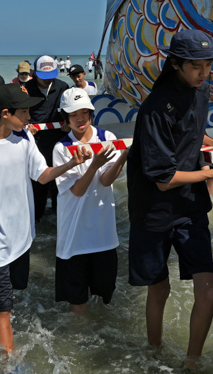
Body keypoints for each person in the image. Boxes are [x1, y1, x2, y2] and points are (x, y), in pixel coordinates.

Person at [0, 83, 90, 355]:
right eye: (24, 112)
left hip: (21, 239)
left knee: (5, 307)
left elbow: (43, 175)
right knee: (3, 310)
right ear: (4, 113)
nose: (29, 118)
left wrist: (71, 163)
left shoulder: (25, 140)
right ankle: (8, 365)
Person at [126, 29, 213, 369]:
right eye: (197, 67)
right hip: (153, 210)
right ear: (175, 64)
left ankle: (192, 361)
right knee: (159, 290)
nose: (204, 74)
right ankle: (154, 350)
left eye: (209, 65)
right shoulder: (155, 108)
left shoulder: (201, 89)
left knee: (208, 291)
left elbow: (193, 127)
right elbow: (163, 180)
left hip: (190, 206)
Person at [52, 88, 128, 313]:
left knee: (104, 296)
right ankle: (80, 338)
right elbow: (76, 191)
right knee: (77, 301)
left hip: (103, 233)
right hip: (73, 236)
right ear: (66, 118)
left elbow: (106, 181)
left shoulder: (107, 138)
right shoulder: (62, 148)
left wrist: (123, 156)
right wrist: (94, 164)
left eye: (85, 112)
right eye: (74, 114)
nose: (80, 118)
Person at [24, 55, 70, 221]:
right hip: (35, 143)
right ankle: (36, 222)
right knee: (38, 183)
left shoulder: (63, 87)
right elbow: (20, 112)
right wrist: (26, 125)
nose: (48, 80)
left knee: (60, 182)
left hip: (59, 140)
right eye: (44, 77)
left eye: (51, 75)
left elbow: (70, 109)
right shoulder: (26, 89)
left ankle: (60, 220)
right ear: (35, 73)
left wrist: (68, 122)